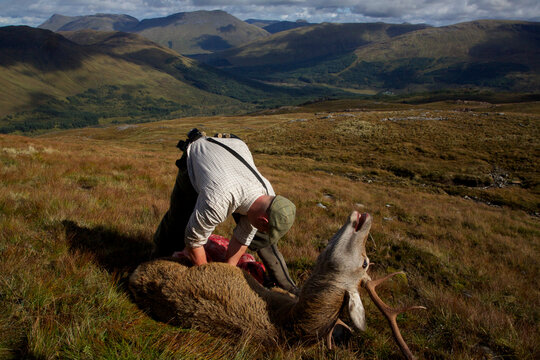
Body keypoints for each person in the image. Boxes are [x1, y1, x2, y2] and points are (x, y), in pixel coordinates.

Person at [152, 128, 298, 292]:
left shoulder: (268, 194)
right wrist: (210, 278)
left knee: (254, 233)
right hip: (198, 157)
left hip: (232, 159)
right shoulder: (218, 200)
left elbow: (243, 238)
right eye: (265, 228)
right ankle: (155, 261)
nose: (262, 232)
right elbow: (193, 240)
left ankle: (287, 285)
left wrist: (227, 273)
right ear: (263, 220)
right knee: (178, 221)